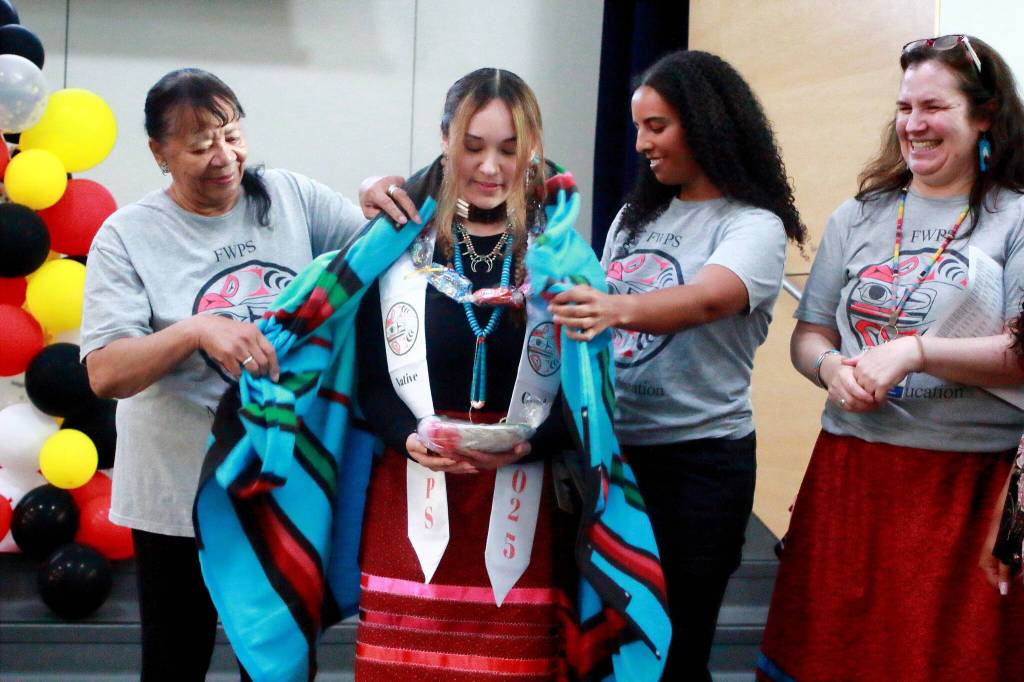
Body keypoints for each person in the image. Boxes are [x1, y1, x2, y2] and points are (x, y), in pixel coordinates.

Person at [80, 68, 365, 681]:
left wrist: (385, 192)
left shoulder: (290, 196)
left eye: (231, 135)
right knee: (176, 656)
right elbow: (105, 372)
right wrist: (193, 330)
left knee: (277, 658)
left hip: (275, 477)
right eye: (199, 143)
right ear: (159, 153)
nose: (223, 157)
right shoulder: (126, 235)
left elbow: (375, 257)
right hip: (177, 490)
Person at [759, 35, 1024, 682]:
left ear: (984, 116)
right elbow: (810, 334)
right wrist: (829, 369)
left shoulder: (1015, 217)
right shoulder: (859, 215)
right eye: (904, 107)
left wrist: (914, 351)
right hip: (854, 471)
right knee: (834, 656)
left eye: (933, 106)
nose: (913, 124)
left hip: (964, 486)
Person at [546, 49, 806, 681]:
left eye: (656, 126)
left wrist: (613, 307)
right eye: (638, 128)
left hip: (698, 467)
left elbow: (711, 297)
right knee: (604, 641)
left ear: (707, 123)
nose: (641, 144)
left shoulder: (755, 225)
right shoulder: (637, 217)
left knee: (674, 647)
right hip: (613, 460)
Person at [353, 67, 581, 681]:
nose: (489, 167)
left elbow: (591, 396)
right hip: (412, 490)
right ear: (444, 138)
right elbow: (368, 381)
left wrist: (532, 443)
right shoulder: (394, 244)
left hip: (520, 499)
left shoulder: (560, 252)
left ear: (532, 148)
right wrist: (407, 438)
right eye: (473, 146)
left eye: (510, 149)